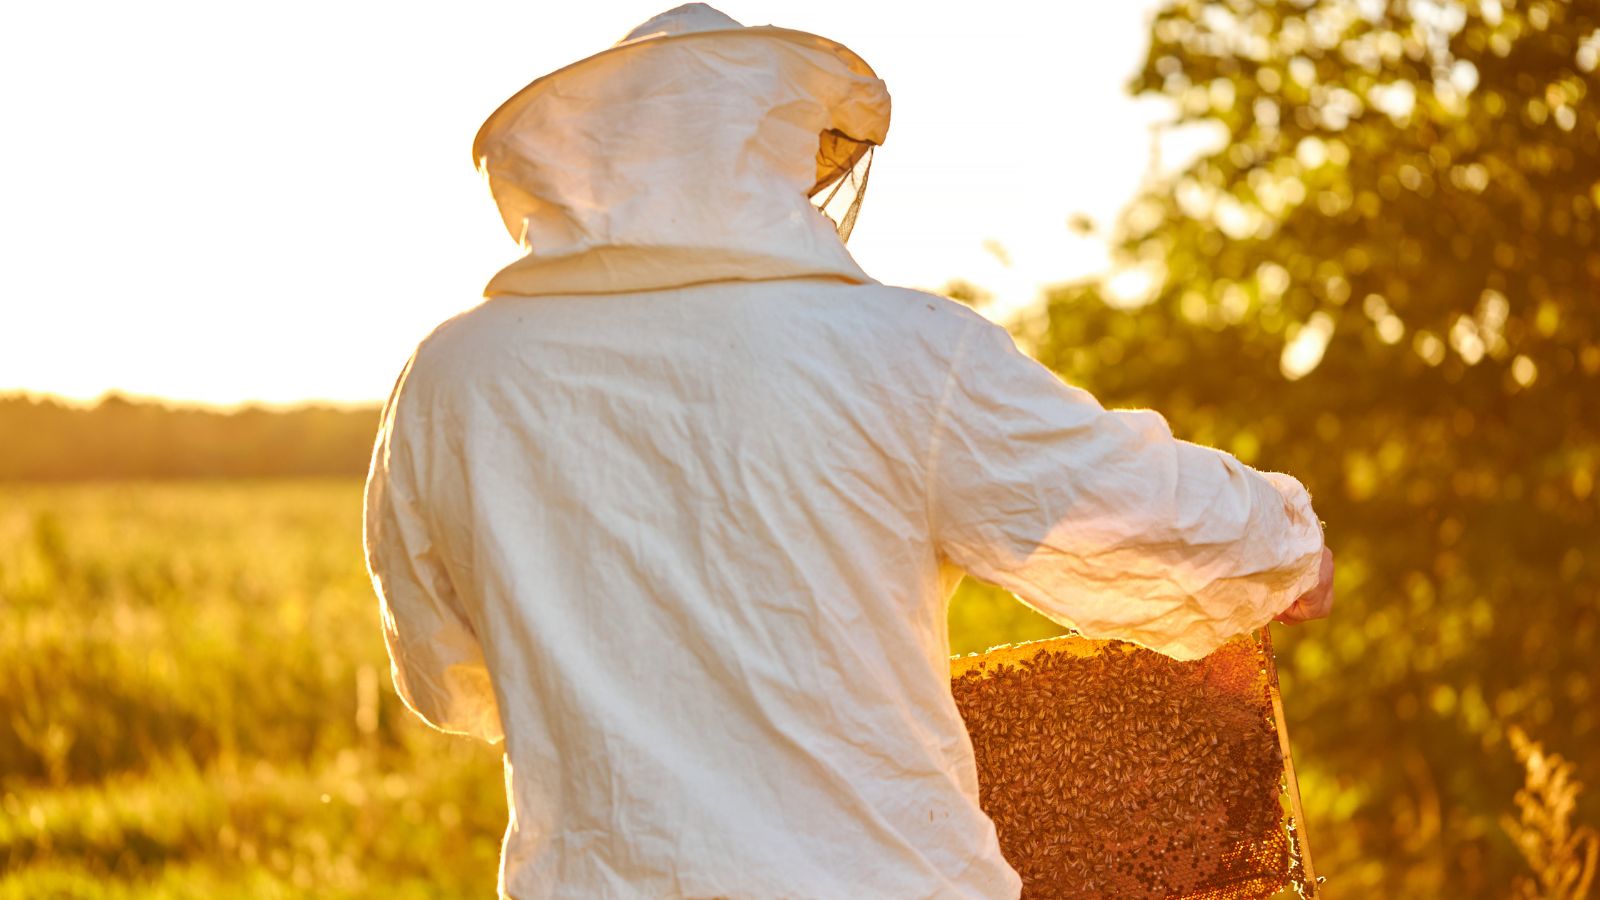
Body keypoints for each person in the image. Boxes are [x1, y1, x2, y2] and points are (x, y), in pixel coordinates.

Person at [362, 4, 1335, 898]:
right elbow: (1104, 499)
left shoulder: (451, 378)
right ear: (772, 156)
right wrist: (1277, 546)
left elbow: (445, 679)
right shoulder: (906, 352)